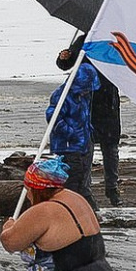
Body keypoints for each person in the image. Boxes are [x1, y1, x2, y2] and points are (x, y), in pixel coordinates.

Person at [57, 33, 122, 207]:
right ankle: (86, 192)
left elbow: (125, 67)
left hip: (109, 101)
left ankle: (112, 188)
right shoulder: (84, 39)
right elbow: (66, 64)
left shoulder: (115, 40)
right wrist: (64, 57)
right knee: (87, 148)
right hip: (86, 100)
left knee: (111, 148)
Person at [46, 61, 100, 210]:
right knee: (73, 181)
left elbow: (84, 116)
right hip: (68, 146)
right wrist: (71, 134)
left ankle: (87, 212)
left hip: (83, 143)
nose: (87, 91)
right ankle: (76, 211)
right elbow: (53, 117)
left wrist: (88, 131)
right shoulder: (62, 95)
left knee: (82, 179)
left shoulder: (83, 96)